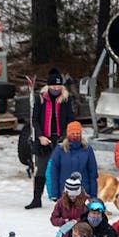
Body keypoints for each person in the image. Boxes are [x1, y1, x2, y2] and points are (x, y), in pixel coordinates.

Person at [27, 71, 77, 208]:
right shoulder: (40, 99)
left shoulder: (66, 99)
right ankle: (36, 199)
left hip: (61, 138)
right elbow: (35, 120)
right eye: (53, 86)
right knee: (41, 169)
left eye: (58, 86)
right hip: (44, 139)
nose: (56, 88)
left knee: (64, 170)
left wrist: (67, 137)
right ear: (48, 86)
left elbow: (71, 119)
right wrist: (40, 136)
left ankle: (66, 200)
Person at [46, 122, 97, 204]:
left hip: (83, 193)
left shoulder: (87, 149)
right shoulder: (60, 150)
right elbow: (54, 173)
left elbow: (93, 173)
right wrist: (54, 193)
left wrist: (94, 194)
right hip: (65, 193)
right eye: (73, 133)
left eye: (78, 133)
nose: (75, 135)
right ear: (68, 134)